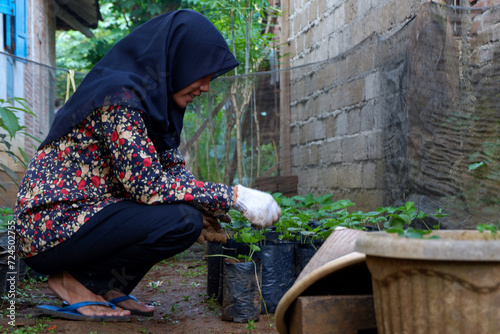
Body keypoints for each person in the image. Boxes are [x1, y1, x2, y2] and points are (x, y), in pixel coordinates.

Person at [14, 9, 281, 321]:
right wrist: (234, 197)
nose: (206, 86)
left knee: (187, 219)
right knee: (180, 220)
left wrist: (207, 206)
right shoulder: (119, 96)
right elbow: (148, 186)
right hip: (49, 224)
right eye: (204, 72)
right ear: (180, 60)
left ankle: (106, 287)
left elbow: (172, 169)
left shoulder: (154, 105)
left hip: (85, 215)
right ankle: (72, 283)